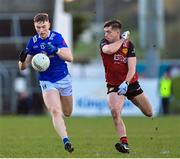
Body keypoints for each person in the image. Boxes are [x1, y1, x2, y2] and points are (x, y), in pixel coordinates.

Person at [18, 13, 74, 153]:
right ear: (35, 26)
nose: (41, 30)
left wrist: (56, 50)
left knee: (67, 112)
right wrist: (22, 60)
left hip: (63, 78)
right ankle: (66, 140)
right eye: (38, 27)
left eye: (43, 26)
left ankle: (65, 133)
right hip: (47, 81)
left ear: (48, 24)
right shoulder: (33, 42)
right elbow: (23, 67)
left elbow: (70, 58)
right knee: (55, 111)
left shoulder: (57, 37)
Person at [99, 20, 153, 153]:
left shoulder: (129, 45)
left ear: (117, 32)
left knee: (149, 112)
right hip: (114, 85)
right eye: (105, 31)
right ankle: (124, 143)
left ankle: (132, 99)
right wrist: (122, 40)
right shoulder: (104, 43)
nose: (106, 34)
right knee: (115, 111)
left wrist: (127, 83)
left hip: (131, 84)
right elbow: (110, 50)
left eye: (109, 32)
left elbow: (132, 68)